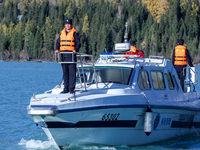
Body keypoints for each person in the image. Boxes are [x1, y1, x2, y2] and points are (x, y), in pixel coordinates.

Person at [55, 19, 81, 94]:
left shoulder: (75, 33)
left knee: (72, 73)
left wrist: (75, 49)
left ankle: (71, 89)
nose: (67, 25)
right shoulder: (62, 33)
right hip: (63, 54)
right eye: (66, 24)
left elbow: (78, 43)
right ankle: (65, 88)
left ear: (71, 25)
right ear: (65, 25)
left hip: (71, 54)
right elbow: (58, 42)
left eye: (69, 24)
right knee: (65, 73)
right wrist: (57, 49)